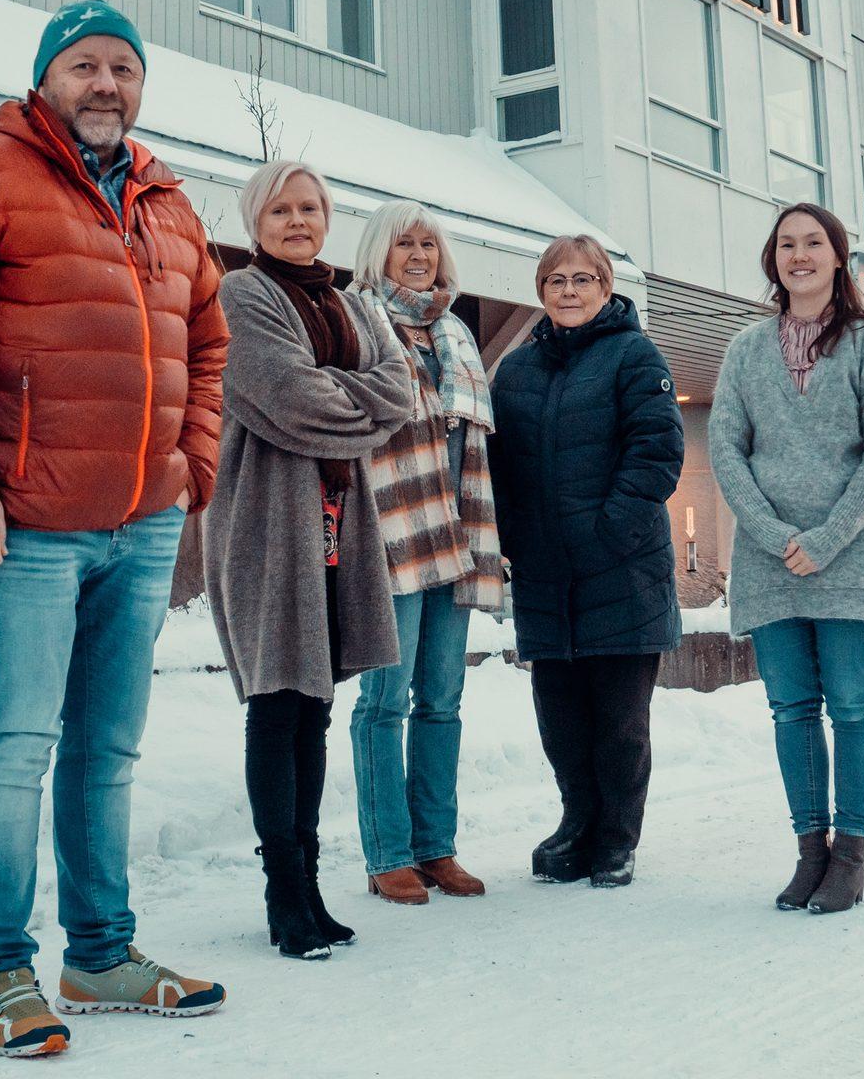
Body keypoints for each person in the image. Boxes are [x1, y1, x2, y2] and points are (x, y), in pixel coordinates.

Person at [0, 0, 229, 1059]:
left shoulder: (167, 202)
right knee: (14, 749)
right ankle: (0, 974)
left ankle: (101, 953)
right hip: (26, 524)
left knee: (107, 752)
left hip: (140, 527)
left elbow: (205, 342)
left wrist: (188, 467)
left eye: (123, 66)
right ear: (46, 80)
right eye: (84, 65)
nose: (106, 84)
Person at [205, 161, 418, 959]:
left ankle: (313, 884)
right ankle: (284, 891)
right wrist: (350, 402)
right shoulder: (244, 295)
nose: (298, 221)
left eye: (311, 208)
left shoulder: (356, 304)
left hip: (338, 524)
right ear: (256, 219)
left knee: (317, 703)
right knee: (278, 698)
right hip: (267, 520)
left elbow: (398, 394)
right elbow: (286, 396)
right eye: (281, 209)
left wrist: (343, 404)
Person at [708, 202, 864, 916]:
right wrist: (770, 534)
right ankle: (809, 854)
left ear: (837, 257)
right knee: (792, 710)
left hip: (850, 558)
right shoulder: (744, 350)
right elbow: (725, 448)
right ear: (774, 259)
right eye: (786, 244)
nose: (800, 254)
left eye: (813, 243)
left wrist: (824, 540)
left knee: (854, 706)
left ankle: (850, 856)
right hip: (769, 561)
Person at [488, 234, 684, 889]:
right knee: (561, 716)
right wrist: (515, 537)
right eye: (556, 281)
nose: (569, 292)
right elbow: (499, 469)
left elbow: (656, 453)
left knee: (619, 720)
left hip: (621, 568)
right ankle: (577, 822)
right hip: (546, 573)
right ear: (540, 293)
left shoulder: (635, 355)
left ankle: (617, 837)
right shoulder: (515, 371)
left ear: (605, 287)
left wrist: (605, 532)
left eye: (582, 279)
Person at [348, 201, 506, 906]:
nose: (418, 255)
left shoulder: (456, 332)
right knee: (385, 700)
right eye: (405, 243)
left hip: (459, 531)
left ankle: (435, 847)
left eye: (429, 245)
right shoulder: (355, 321)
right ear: (379, 251)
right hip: (390, 532)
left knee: (441, 699)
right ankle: (388, 854)